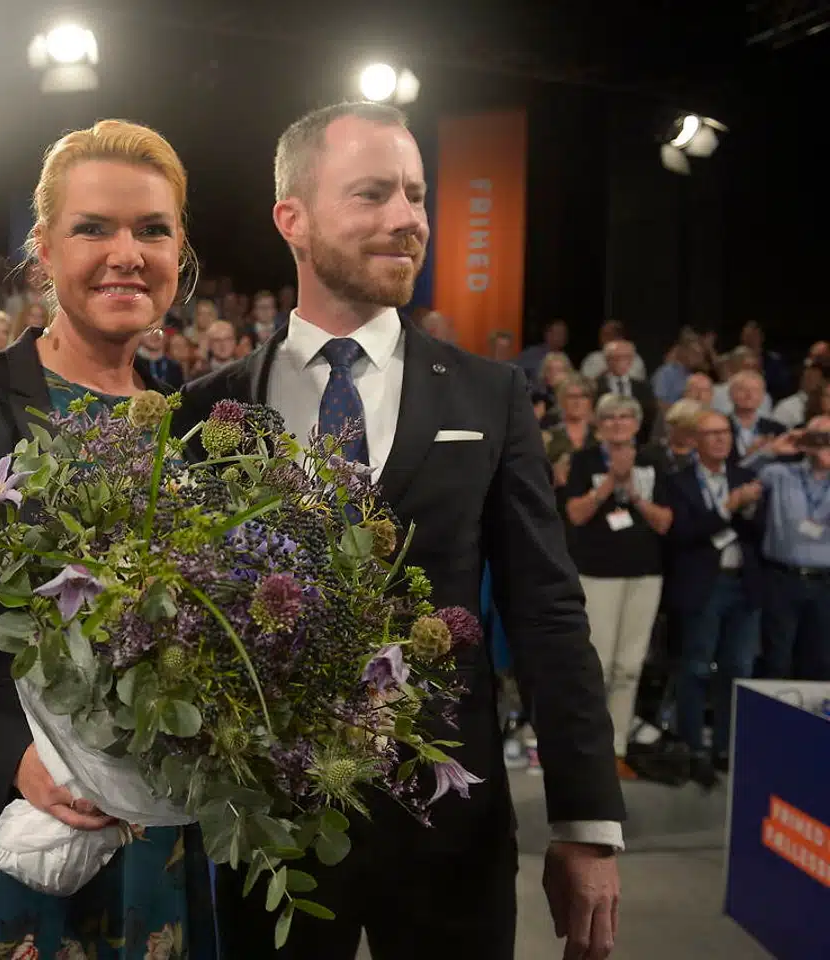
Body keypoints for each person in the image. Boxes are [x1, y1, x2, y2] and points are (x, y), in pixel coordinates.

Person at [178, 101, 623, 960]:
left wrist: (586, 819)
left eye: (417, 196)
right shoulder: (207, 412)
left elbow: (548, 613)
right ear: (292, 218)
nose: (408, 219)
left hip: (451, 833)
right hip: (272, 842)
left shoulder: (489, 396)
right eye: (373, 193)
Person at [0, 119, 214, 959]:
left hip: (154, 849)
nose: (126, 253)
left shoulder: (202, 435)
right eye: (93, 228)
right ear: (44, 248)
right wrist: (14, 758)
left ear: (180, 253)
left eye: (152, 230)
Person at [563, 394, 674, 775]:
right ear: (600, 424)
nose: (618, 422)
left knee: (629, 666)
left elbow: (664, 522)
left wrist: (635, 491)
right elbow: (575, 515)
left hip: (645, 574)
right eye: (610, 417)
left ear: (638, 422)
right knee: (600, 664)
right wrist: (611, 481)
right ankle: (588, 749)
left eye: (626, 416)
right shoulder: (585, 460)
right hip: (597, 574)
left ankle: (617, 749)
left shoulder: (656, 461)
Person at [662, 410, 765, 776]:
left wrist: (749, 510)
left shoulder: (747, 477)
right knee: (696, 668)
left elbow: (763, 531)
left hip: (744, 585)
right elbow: (683, 535)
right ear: (695, 441)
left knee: (738, 669)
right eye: (711, 434)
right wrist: (727, 509)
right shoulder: (677, 483)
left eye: (725, 432)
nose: (721, 439)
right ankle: (694, 747)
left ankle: (727, 747)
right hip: (704, 586)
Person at [745, 420, 830, 680]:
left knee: (820, 660)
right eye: (818, 436)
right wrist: (773, 449)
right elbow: (735, 475)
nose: (823, 443)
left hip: (825, 583)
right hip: (782, 578)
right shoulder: (781, 473)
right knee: (776, 659)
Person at [594, 338, 657, 445]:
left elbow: (649, 417)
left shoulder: (643, 388)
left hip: (638, 442)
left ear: (632, 360)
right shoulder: (595, 387)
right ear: (607, 360)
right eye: (616, 357)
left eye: (626, 357)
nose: (621, 362)